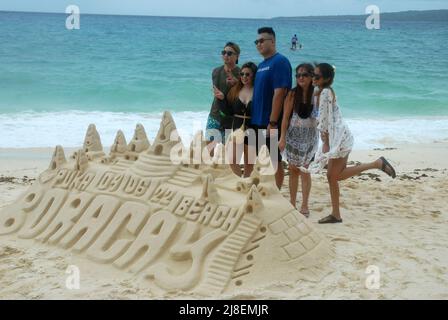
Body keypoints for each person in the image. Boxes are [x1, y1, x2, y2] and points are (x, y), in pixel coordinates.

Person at [306, 63, 397, 224]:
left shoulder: (325, 92)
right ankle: (336, 214)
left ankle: (376, 164)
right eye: (313, 75)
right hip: (340, 137)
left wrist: (325, 142)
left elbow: (324, 120)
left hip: (338, 139)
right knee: (332, 176)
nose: (313, 78)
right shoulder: (320, 92)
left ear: (326, 79)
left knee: (334, 176)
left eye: (317, 76)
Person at [252, 27, 292, 189]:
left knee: (275, 159)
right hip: (258, 120)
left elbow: (280, 93)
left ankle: (277, 193)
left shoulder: (280, 61)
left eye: (262, 40)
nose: (259, 44)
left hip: (272, 121)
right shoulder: (262, 64)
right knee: (262, 158)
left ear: (273, 41)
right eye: (257, 41)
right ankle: (267, 189)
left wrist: (273, 121)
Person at [279, 63, 318, 218]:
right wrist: (282, 138)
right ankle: (292, 203)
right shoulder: (292, 94)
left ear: (311, 77)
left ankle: (305, 205)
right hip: (293, 137)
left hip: (310, 139)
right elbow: (285, 118)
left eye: (304, 75)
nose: (301, 78)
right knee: (293, 170)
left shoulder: (317, 94)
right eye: (298, 75)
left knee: (305, 171)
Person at [206, 42, 241, 155]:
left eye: (229, 53)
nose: (226, 55)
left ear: (237, 56)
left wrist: (236, 83)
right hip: (215, 113)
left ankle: (227, 172)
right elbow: (217, 92)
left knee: (228, 151)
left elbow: (245, 95)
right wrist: (220, 96)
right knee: (209, 146)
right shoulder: (216, 71)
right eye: (224, 52)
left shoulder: (242, 74)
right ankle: (210, 171)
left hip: (231, 117)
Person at [224, 62, 258, 178]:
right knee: (232, 160)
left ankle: (247, 185)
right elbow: (227, 109)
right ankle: (239, 181)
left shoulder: (258, 91)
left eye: (248, 74)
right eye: (242, 74)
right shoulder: (235, 90)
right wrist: (220, 98)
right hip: (237, 128)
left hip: (252, 129)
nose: (244, 77)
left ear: (254, 75)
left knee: (249, 163)